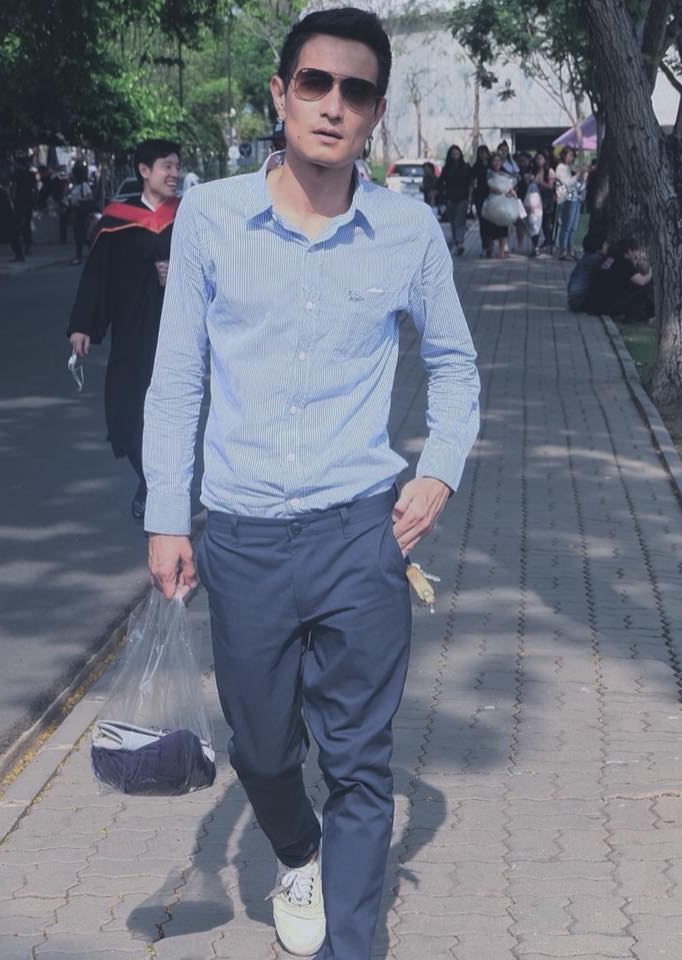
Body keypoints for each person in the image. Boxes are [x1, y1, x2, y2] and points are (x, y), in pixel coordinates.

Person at [142, 10, 480, 960]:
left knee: (362, 767)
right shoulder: (210, 216)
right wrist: (167, 516)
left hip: (359, 538)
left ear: (375, 113)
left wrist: (438, 472)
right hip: (242, 537)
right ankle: (297, 850)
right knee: (259, 750)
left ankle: (351, 945)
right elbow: (177, 379)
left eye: (356, 91)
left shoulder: (407, 230)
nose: (334, 106)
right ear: (281, 94)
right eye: (316, 84)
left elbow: (455, 365)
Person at [66, 138, 181, 520]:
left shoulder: (187, 217)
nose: (174, 174)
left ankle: (158, 485)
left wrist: (177, 275)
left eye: (177, 166)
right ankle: (148, 478)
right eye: (167, 166)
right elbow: (96, 277)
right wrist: (82, 326)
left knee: (167, 415)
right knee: (124, 411)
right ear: (144, 171)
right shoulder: (116, 221)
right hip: (130, 333)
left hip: (174, 332)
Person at [586, 235, 654, 321]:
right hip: (606, 307)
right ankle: (651, 315)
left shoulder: (609, 259)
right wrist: (651, 272)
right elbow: (642, 281)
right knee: (646, 289)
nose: (637, 254)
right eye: (636, 250)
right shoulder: (624, 263)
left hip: (595, 305)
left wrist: (633, 263)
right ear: (629, 251)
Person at [437, 144, 473, 255]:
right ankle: (456, 242)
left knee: (460, 221)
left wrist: (470, 197)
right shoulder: (446, 168)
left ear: (460, 154)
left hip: (463, 198)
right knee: (452, 222)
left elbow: (470, 183)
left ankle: (460, 242)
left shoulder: (466, 167)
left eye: (457, 154)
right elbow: (440, 182)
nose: (455, 156)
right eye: (453, 154)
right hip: (450, 198)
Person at [567, 230, 608, 312]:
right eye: (605, 245)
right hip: (580, 300)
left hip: (574, 299)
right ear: (598, 248)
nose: (607, 247)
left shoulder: (587, 257)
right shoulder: (596, 259)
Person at [554, 146, 583, 259]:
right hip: (566, 199)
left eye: (573, 156)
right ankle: (563, 251)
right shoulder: (561, 167)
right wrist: (577, 175)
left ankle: (570, 250)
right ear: (564, 155)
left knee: (573, 227)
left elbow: (576, 185)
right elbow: (567, 183)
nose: (572, 158)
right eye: (570, 155)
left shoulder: (568, 168)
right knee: (566, 226)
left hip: (575, 198)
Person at [486, 151, 514, 259]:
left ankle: (502, 251)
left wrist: (510, 191)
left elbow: (510, 185)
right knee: (490, 227)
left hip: (503, 203)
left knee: (503, 226)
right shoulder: (489, 173)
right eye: (494, 160)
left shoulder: (505, 173)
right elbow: (491, 187)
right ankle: (489, 248)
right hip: (492, 203)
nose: (497, 162)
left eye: (499, 160)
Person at [68, 162, 94, 265]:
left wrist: (79, 200)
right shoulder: (74, 186)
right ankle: (87, 253)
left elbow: (90, 197)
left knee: (81, 235)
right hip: (75, 212)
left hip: (81, 212)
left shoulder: (84, 185)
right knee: (80, 235)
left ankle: (79, 256)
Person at [470, 144, 492, 256]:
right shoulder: (476, 166)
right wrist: (471, 198)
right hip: (480, 197)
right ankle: (484, 246)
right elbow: (472, 182)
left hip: (492, 196)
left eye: (485, 153)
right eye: (481, 153)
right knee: (483, 223)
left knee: (491, 223)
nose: (483, 155)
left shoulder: (492, 165)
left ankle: (490, 246)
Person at [533, 151, 557, 251]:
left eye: (540, 158)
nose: (538, 161)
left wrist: (541, 182)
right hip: (537, 199)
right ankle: (545, 241)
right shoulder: (536, 170)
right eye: (537, 158)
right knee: (539, 221)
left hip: (547, 199)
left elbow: (551, 186)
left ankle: (549, 241)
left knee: (547, 222)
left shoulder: (549, 171)